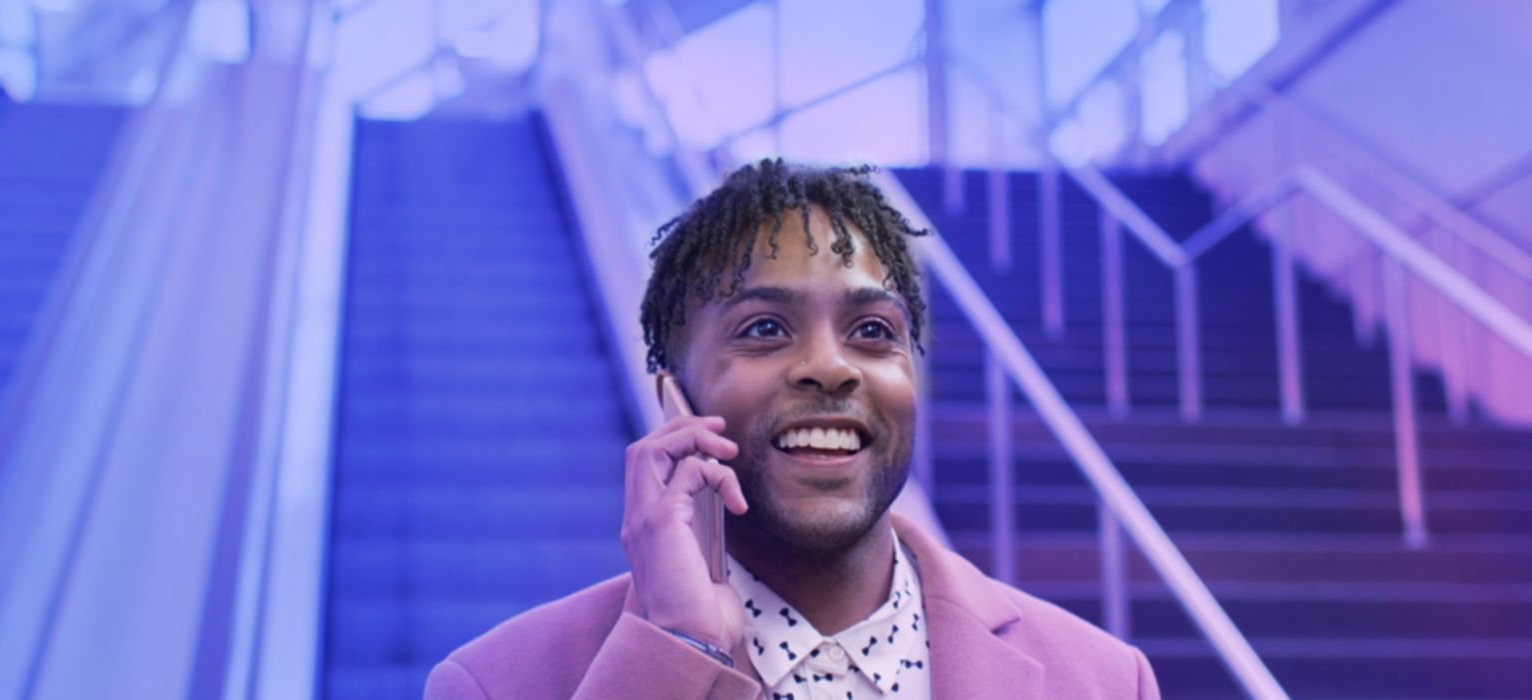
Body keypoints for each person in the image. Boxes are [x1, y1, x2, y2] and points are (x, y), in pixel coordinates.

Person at [425, 160, 1160, 699]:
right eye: (766, 328)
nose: (830, 368)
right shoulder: (493, 683)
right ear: (675, 402)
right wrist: (674, 647)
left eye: (873, 330)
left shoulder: (1102, 679)